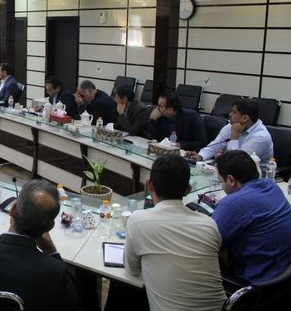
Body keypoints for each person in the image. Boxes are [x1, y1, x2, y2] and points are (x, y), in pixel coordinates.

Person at [0, 180, 80, 311]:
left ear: (13, 210)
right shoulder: (54, 271)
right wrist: (52, 252)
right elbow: (72, 304)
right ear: (50, 227)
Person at [124, 154, 226, 311]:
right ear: (188, 190)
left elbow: (132, 270)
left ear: (149, 185)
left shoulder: (138, 221)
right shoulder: (209, 224)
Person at [213, 150, 291, 283]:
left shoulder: (232, 203)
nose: (222, 185)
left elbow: (205, 244)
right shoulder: (271, 186)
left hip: (256, 284)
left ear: (231, 180)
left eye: (221, 180)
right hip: (284, 274)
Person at [186, 99, 273, 167]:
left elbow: (237, 162)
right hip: (231, 171)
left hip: (255, 178)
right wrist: (200, 156)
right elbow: (215, 145)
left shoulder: (261, 137)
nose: (230, 114)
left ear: (245, 118)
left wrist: (234, 135)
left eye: (234, 112)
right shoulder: (231, 125)